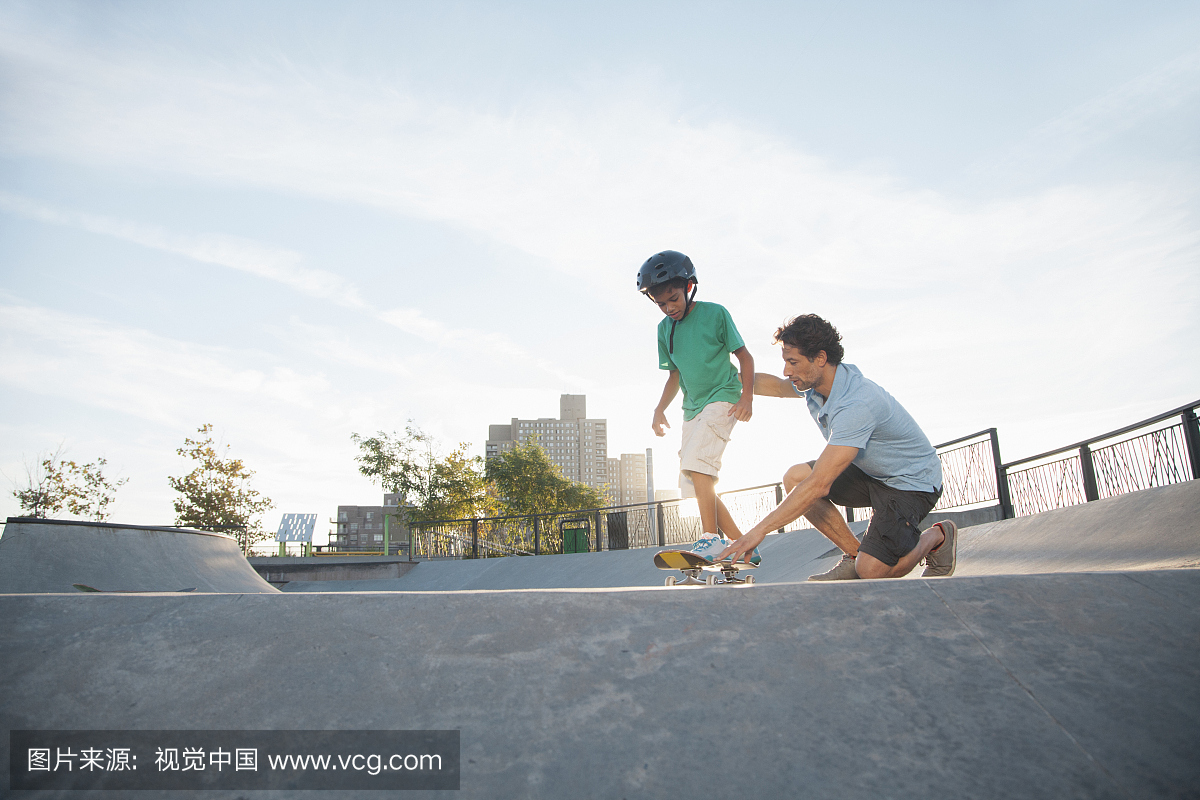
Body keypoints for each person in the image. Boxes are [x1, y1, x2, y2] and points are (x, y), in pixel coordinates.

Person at [718, 313, 957, 579]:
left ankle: (937, 537)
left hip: (911, 484)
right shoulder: (816, 382)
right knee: (796, 477)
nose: (787, 371)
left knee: (872, 571)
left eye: (793, 362)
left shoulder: (857, 403)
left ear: (820, 358)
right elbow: (775, 387)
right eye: (786, 362)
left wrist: (757, 532)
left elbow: (819, 484)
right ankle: (854, 553)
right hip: (873, 473)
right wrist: (719, 378)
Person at [638, 250, 760, 564]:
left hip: (724, 397)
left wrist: (746, 397)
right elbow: (674, 374)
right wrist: (659, 409)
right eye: (661, 304)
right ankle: (743, 546)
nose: (669, 308)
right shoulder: (665, 330)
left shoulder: (715, 314)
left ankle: (711, 539)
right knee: (694, 477)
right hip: (692, 409)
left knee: (698, 463)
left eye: (673, 299)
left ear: (689, 287)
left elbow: (744, 357)